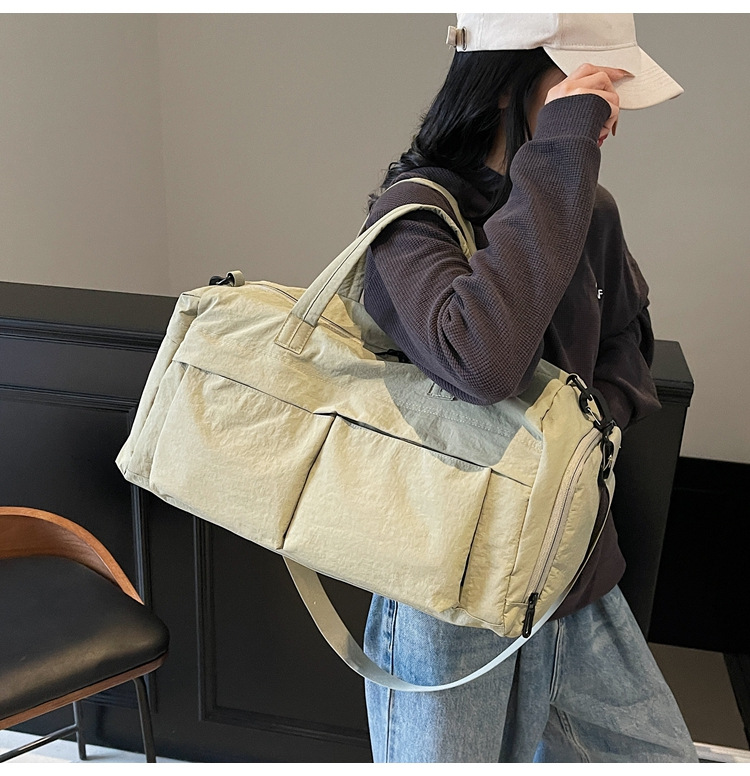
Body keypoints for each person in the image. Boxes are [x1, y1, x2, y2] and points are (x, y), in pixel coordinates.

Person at [360, 13, 698, 763]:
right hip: (451, 591)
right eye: (586, 88)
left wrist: (579, 434)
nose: (607, 114)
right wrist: (561, 152)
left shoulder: (587, 211)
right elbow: (482, 360)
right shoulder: (412, 219)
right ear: (507, 83)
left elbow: (628, 345)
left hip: (572, 569)